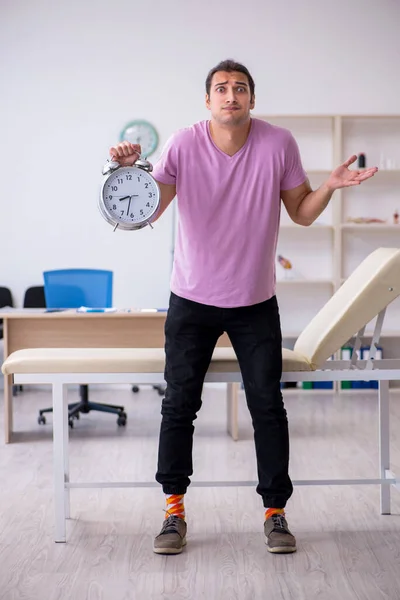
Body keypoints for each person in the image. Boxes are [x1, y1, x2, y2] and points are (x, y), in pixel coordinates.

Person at [109, 59, 378, 556]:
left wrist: (329, 187)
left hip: (255, 302)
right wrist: (129, 174)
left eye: (240, 88)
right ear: (207, 101)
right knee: (178, 406)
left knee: (268, 407)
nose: (230, 95)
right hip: (191, 298)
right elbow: (150, 208)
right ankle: (173, 512)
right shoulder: (182, 143)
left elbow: (299, 212)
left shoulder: (279, 144)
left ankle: (275, 513)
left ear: (252, 99)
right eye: (221, 88)